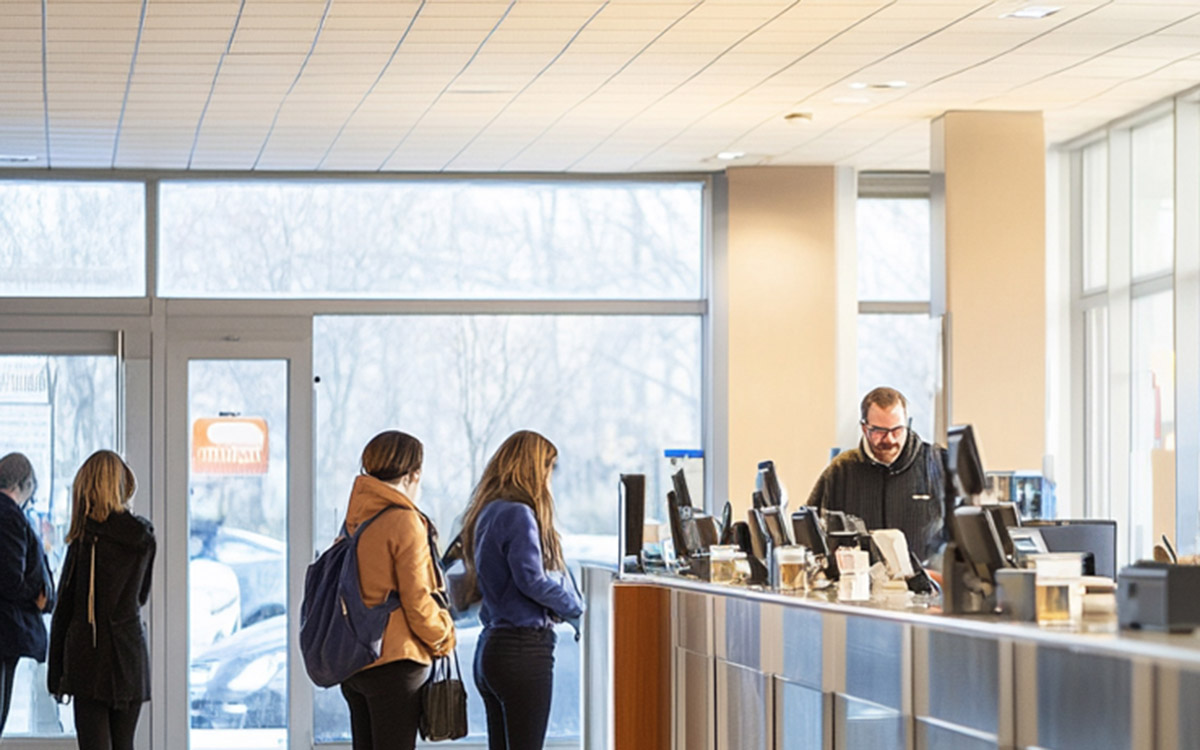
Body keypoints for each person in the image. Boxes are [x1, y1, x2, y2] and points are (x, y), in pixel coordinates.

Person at [460, 430, 582, 750]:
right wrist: (577, 610)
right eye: (549, 468)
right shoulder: (519, 514)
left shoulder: (488, 511)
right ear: (534, 468)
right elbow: (532, 580)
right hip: (523, 651)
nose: (549, 479)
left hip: (491, 651)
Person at [339, 431, 455, 750]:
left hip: (354, 662)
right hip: (395, 664)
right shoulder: (404, 521)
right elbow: (417, 600)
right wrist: (444, 635)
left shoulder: (355, 519)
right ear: (414, 474)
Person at [48, 450, 154, 750]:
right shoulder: (144, 538)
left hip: (90, 660)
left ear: (88, 489)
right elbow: (141, 595)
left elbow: (65, 609)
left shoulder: (86, 539)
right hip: (130, 656)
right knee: (124, 745)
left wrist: (56, 675)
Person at [806, 387, 948, 562]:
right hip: (859, 578)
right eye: (880, 431)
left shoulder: (937, 463)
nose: (890, 440)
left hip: (928, 577)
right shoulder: (841, 470)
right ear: (865, 428)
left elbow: (959, 539)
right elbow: (808, 533)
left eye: (897, 430)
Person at [0, 453, 54, 737]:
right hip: (6, 631)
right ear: (24, 484)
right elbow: (10, 580)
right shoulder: (9, 516)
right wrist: (39, 595)